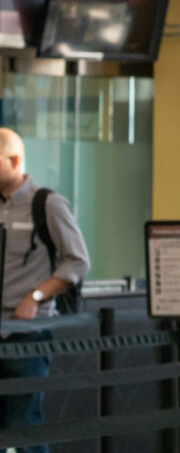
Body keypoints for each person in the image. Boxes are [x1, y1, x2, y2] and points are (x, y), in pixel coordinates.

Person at [0, 128, 91, 452]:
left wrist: (35, 297)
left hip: (28, 335)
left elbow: (78, 261)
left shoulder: (47, 204)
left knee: (25, 429)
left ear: (14, 160)